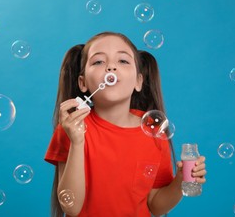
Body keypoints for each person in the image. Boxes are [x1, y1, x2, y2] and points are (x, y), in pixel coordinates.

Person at [45, 32, 207, 216]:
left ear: (138, 81)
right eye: (98, 62)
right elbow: (71, 207)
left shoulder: (154, 131)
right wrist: (77, 142)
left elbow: (156, 205)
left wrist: (180, 181)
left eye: (123, 61)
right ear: (83, 83)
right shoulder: (73, 127)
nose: (111, 67)